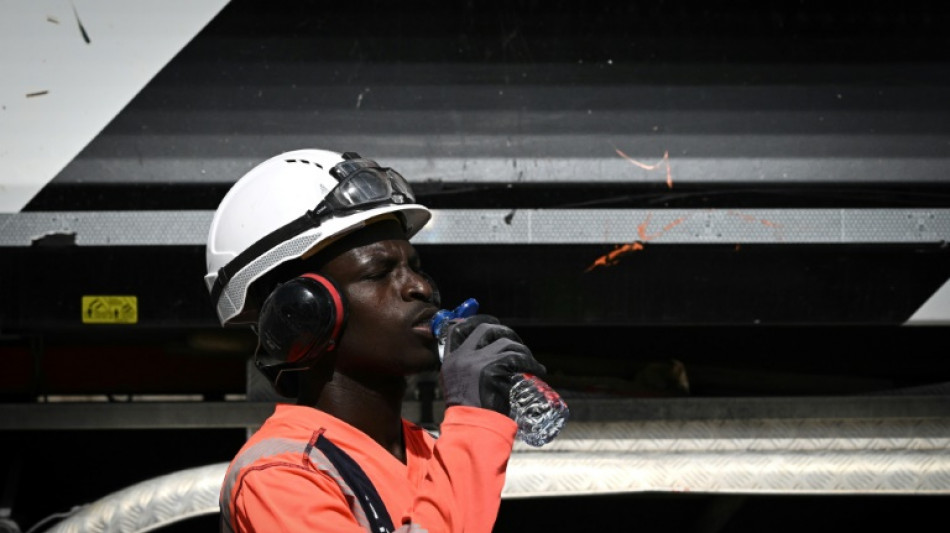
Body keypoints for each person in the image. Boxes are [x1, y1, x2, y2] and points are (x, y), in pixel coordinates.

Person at [204, 148, 547, 533]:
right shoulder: (279, 476)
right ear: (303, 313)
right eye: (380, 272)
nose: (419, 287)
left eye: (415, 268)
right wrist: (474, 426)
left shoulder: (435, 453)